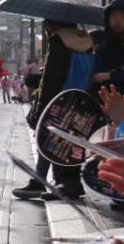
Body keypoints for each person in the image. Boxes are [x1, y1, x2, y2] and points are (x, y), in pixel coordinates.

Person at [13, 20, 95, 200]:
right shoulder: (86, 40)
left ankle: (56, 182)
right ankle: (61, 182)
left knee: (50, 140)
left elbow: (52, 77)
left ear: (51, 25)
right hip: (80, 98)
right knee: (67, 142)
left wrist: (40, 109)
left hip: (58, 100)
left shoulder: (58, 41)